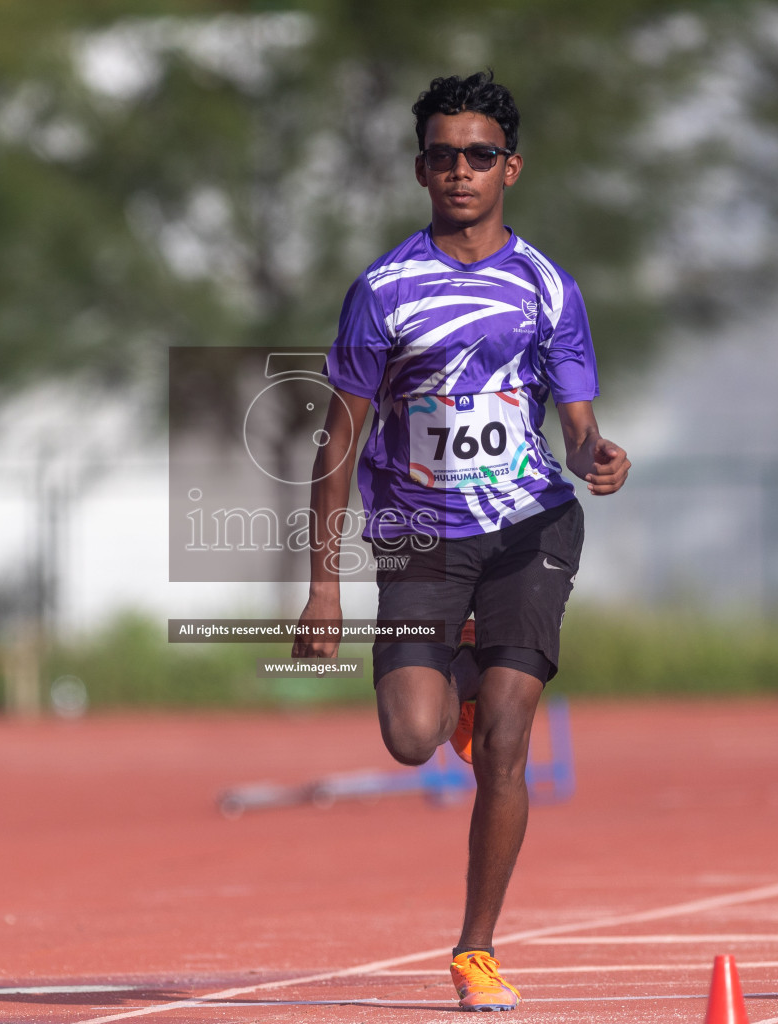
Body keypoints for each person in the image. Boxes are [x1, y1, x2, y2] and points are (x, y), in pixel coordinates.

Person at [291, 70, 630, 1012]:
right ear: (420, 170)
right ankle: (464, 686)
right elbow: (338, 437)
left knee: (509, 745)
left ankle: (475, 950)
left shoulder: (546, 286)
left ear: (510, 167)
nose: (460, 171)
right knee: (412, 736)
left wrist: (599, 452)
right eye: (442, 156)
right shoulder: (384, 291)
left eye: (479, 155)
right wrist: (323, 585)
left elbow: (577, 424)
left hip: (529, 527)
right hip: (419, 537)